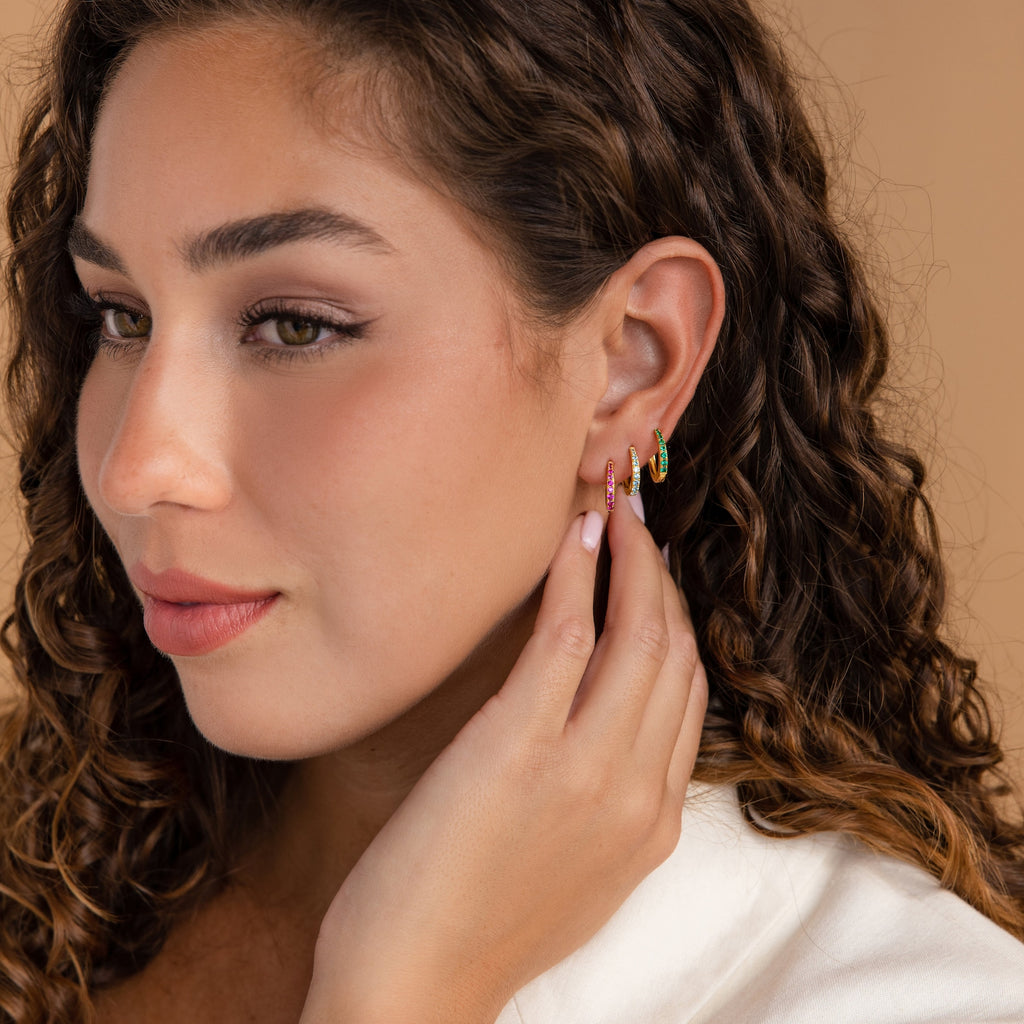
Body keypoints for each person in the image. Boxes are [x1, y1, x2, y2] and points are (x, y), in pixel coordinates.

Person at [2, 0, 1023, 1021]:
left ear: (631, 364)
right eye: (120, 316)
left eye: (292, 325)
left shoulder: (912, 999)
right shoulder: (35, 857)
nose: (139, 466)